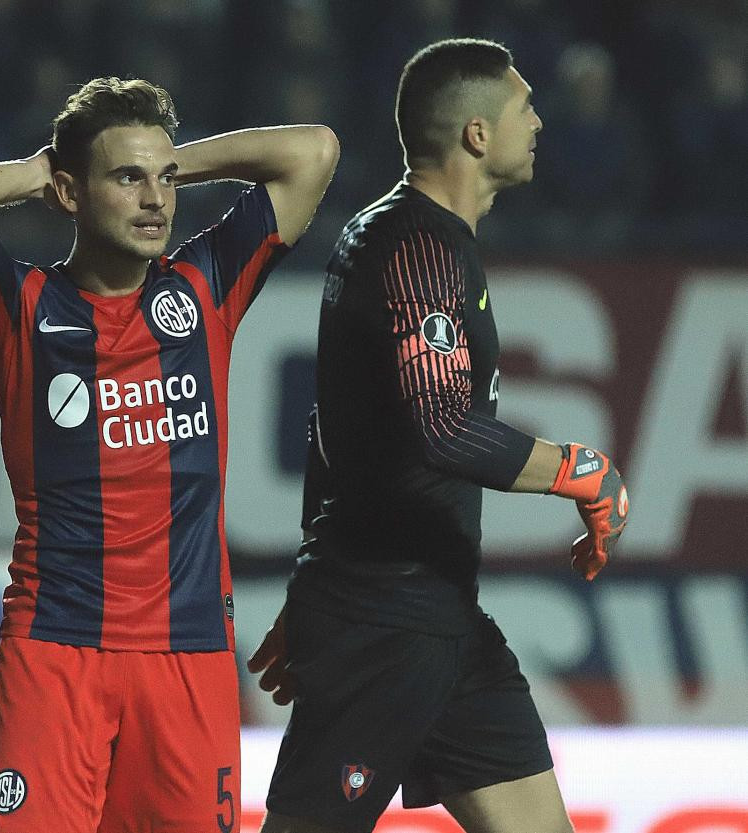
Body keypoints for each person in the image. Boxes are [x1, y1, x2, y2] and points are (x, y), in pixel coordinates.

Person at [0, 77, 338, 833]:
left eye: (164, 180)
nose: (156, 200)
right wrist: (38, 172)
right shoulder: (22, 307)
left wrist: (174, 157)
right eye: (128, 178)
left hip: (189, 654)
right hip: (55, 652)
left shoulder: (205, 288)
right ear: (72, 193)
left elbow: (313, 152)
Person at [247, 39, 629, 833]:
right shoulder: (417, 246)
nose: (541, 121)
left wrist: (308, 583)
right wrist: (582, 470)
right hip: (380, 624)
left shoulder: (414, 239)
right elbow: (444, 428)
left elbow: (334, 426)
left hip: (438, 615)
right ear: (478, 135)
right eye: (525, 106)